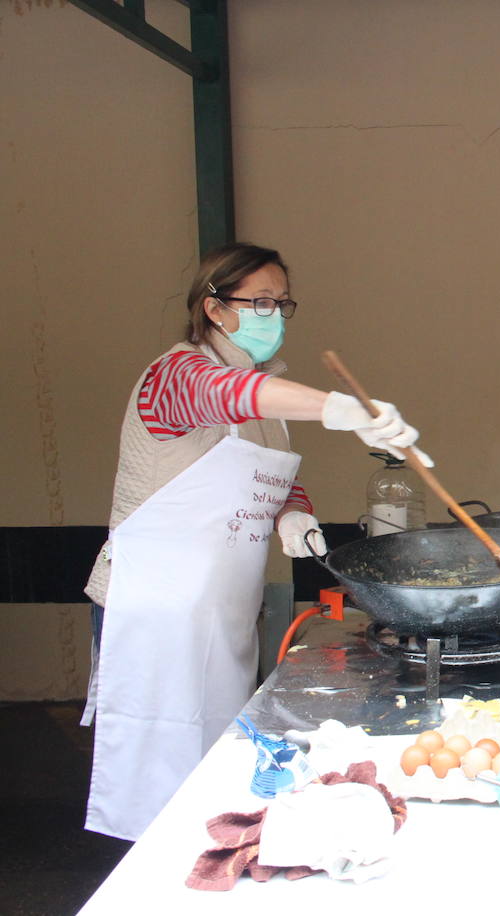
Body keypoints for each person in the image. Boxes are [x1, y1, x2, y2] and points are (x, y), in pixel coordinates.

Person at [81, 243, 432, 841]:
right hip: (156, 603)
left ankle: (209, 858)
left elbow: (271, 474)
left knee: (216, 752)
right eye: (260, 301)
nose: (274, 314)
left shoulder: (265, 388)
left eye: (281, 302)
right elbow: (225, 396)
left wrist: (294, 515)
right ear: (216, 309)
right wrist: (343, 408)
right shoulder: (178, 373)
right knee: (159, 763)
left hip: (223, 600)